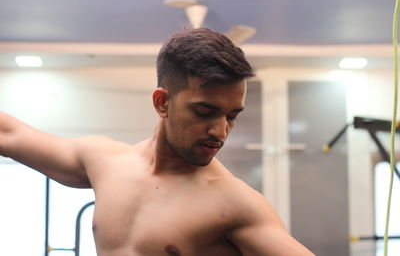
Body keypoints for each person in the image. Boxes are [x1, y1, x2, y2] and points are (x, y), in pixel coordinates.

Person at [0, 28, 314, 256]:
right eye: (205, 111)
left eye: (232, 115)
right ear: (162, 102)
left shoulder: (234, 204)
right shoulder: (106, 163)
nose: (220, 131)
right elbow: (10, 135)